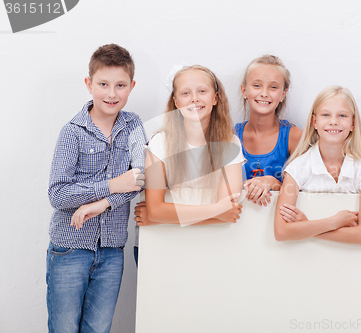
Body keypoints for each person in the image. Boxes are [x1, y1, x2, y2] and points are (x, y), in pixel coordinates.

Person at [46, 44, 146, 333]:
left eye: (120, 85)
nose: (111, 93)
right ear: (89, 84)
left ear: (132, 86)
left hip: (112, 252)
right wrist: (113, 185)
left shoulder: (133, 126)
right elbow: (58, 194)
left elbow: (140, 176)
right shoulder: (72, 132)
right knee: (64, 328)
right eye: (103, 84)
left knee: (98, 329)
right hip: (70, 248)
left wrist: (102, 203)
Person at [134, 65, 244, 227]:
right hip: (167, 242)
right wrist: (216, 212)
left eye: (202, 91)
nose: (194, 98)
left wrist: (163, 218)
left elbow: (229, 212)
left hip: (213, 241)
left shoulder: (230, 144)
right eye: (186, 93)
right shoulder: (160, 143)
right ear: (176, 102)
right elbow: (155, 210)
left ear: (215, 98)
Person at [274, 85, 361, 244]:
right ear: (314, 122)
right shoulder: (298, 167)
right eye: (326, 115)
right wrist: (334, 222)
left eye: (342, 115)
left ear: (352, 124)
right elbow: (281, 232)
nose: (333, 122)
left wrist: (306, 226)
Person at [234, 55, 302, 207]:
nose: (264, 93)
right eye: (257, 85)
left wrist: (273, 182)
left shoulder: (294, 137)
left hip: (278, 223)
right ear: (244, 91)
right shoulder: (230, 137)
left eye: (273, 87)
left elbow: (307, 191)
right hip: (239, 223)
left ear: (283, 94)